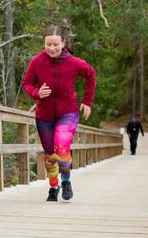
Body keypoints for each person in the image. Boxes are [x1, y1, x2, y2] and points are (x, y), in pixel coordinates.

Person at [22, 24, 96, 201]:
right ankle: (53, 186)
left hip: (68, 112)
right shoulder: (37, 62)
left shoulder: (73, 63)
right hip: (44, 115)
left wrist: (87, 101)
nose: (51, 48)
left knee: (62, 148)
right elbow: (27, 84)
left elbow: (91, 74)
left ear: (63, 43)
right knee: (50, 154)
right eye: (48, 44)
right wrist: (36, 93)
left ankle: (66, 181)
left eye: (55, 44)